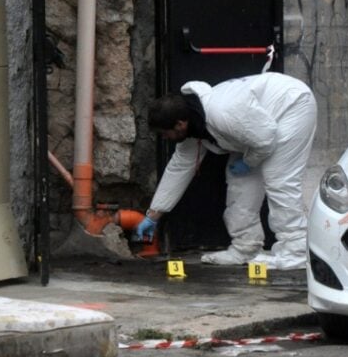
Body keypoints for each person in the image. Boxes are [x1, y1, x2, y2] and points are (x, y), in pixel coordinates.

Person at [135, 72, 317, 270]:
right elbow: (178, 169)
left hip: (291, 106)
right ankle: (245, 248)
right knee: (239, 180)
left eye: (165, 133)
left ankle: (296, 251)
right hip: (257, 129)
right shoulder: (193, 124)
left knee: (279, 180)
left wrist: (248, 162)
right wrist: (153, 215)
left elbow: (265, 140)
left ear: (180, 124)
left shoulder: (221, 113)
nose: (166, 138)